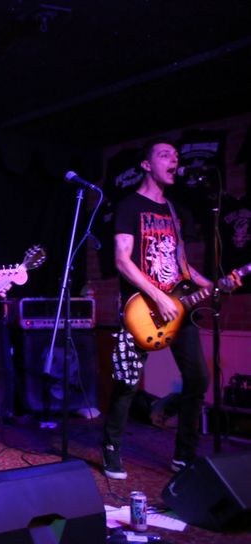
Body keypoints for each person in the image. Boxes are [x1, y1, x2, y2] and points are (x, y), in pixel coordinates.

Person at [103, 138, 240, 479]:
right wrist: (158, 295)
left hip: (178, 307)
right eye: (165, 154)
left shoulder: (173, 211)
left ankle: (184, 455)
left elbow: (181, 264)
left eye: (176, 155)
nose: (174, 160)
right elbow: (122, 260)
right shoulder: (129, 205)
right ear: (146, 165)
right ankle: (111, 449)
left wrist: (213, 283)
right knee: (127, 382)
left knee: (198, 379)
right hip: (141, 307)